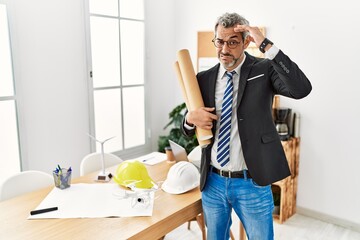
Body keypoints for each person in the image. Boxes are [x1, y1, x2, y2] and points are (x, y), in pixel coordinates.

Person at [181, 13, 312, 240]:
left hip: (251, 183)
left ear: (246, 42)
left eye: (232, 42)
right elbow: (189, 123)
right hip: (213, 182)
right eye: (219, 41)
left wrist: (265, 44)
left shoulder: (264, 70)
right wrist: (189, 119)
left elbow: (301, 89)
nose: (224, 49)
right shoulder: (203, 78)